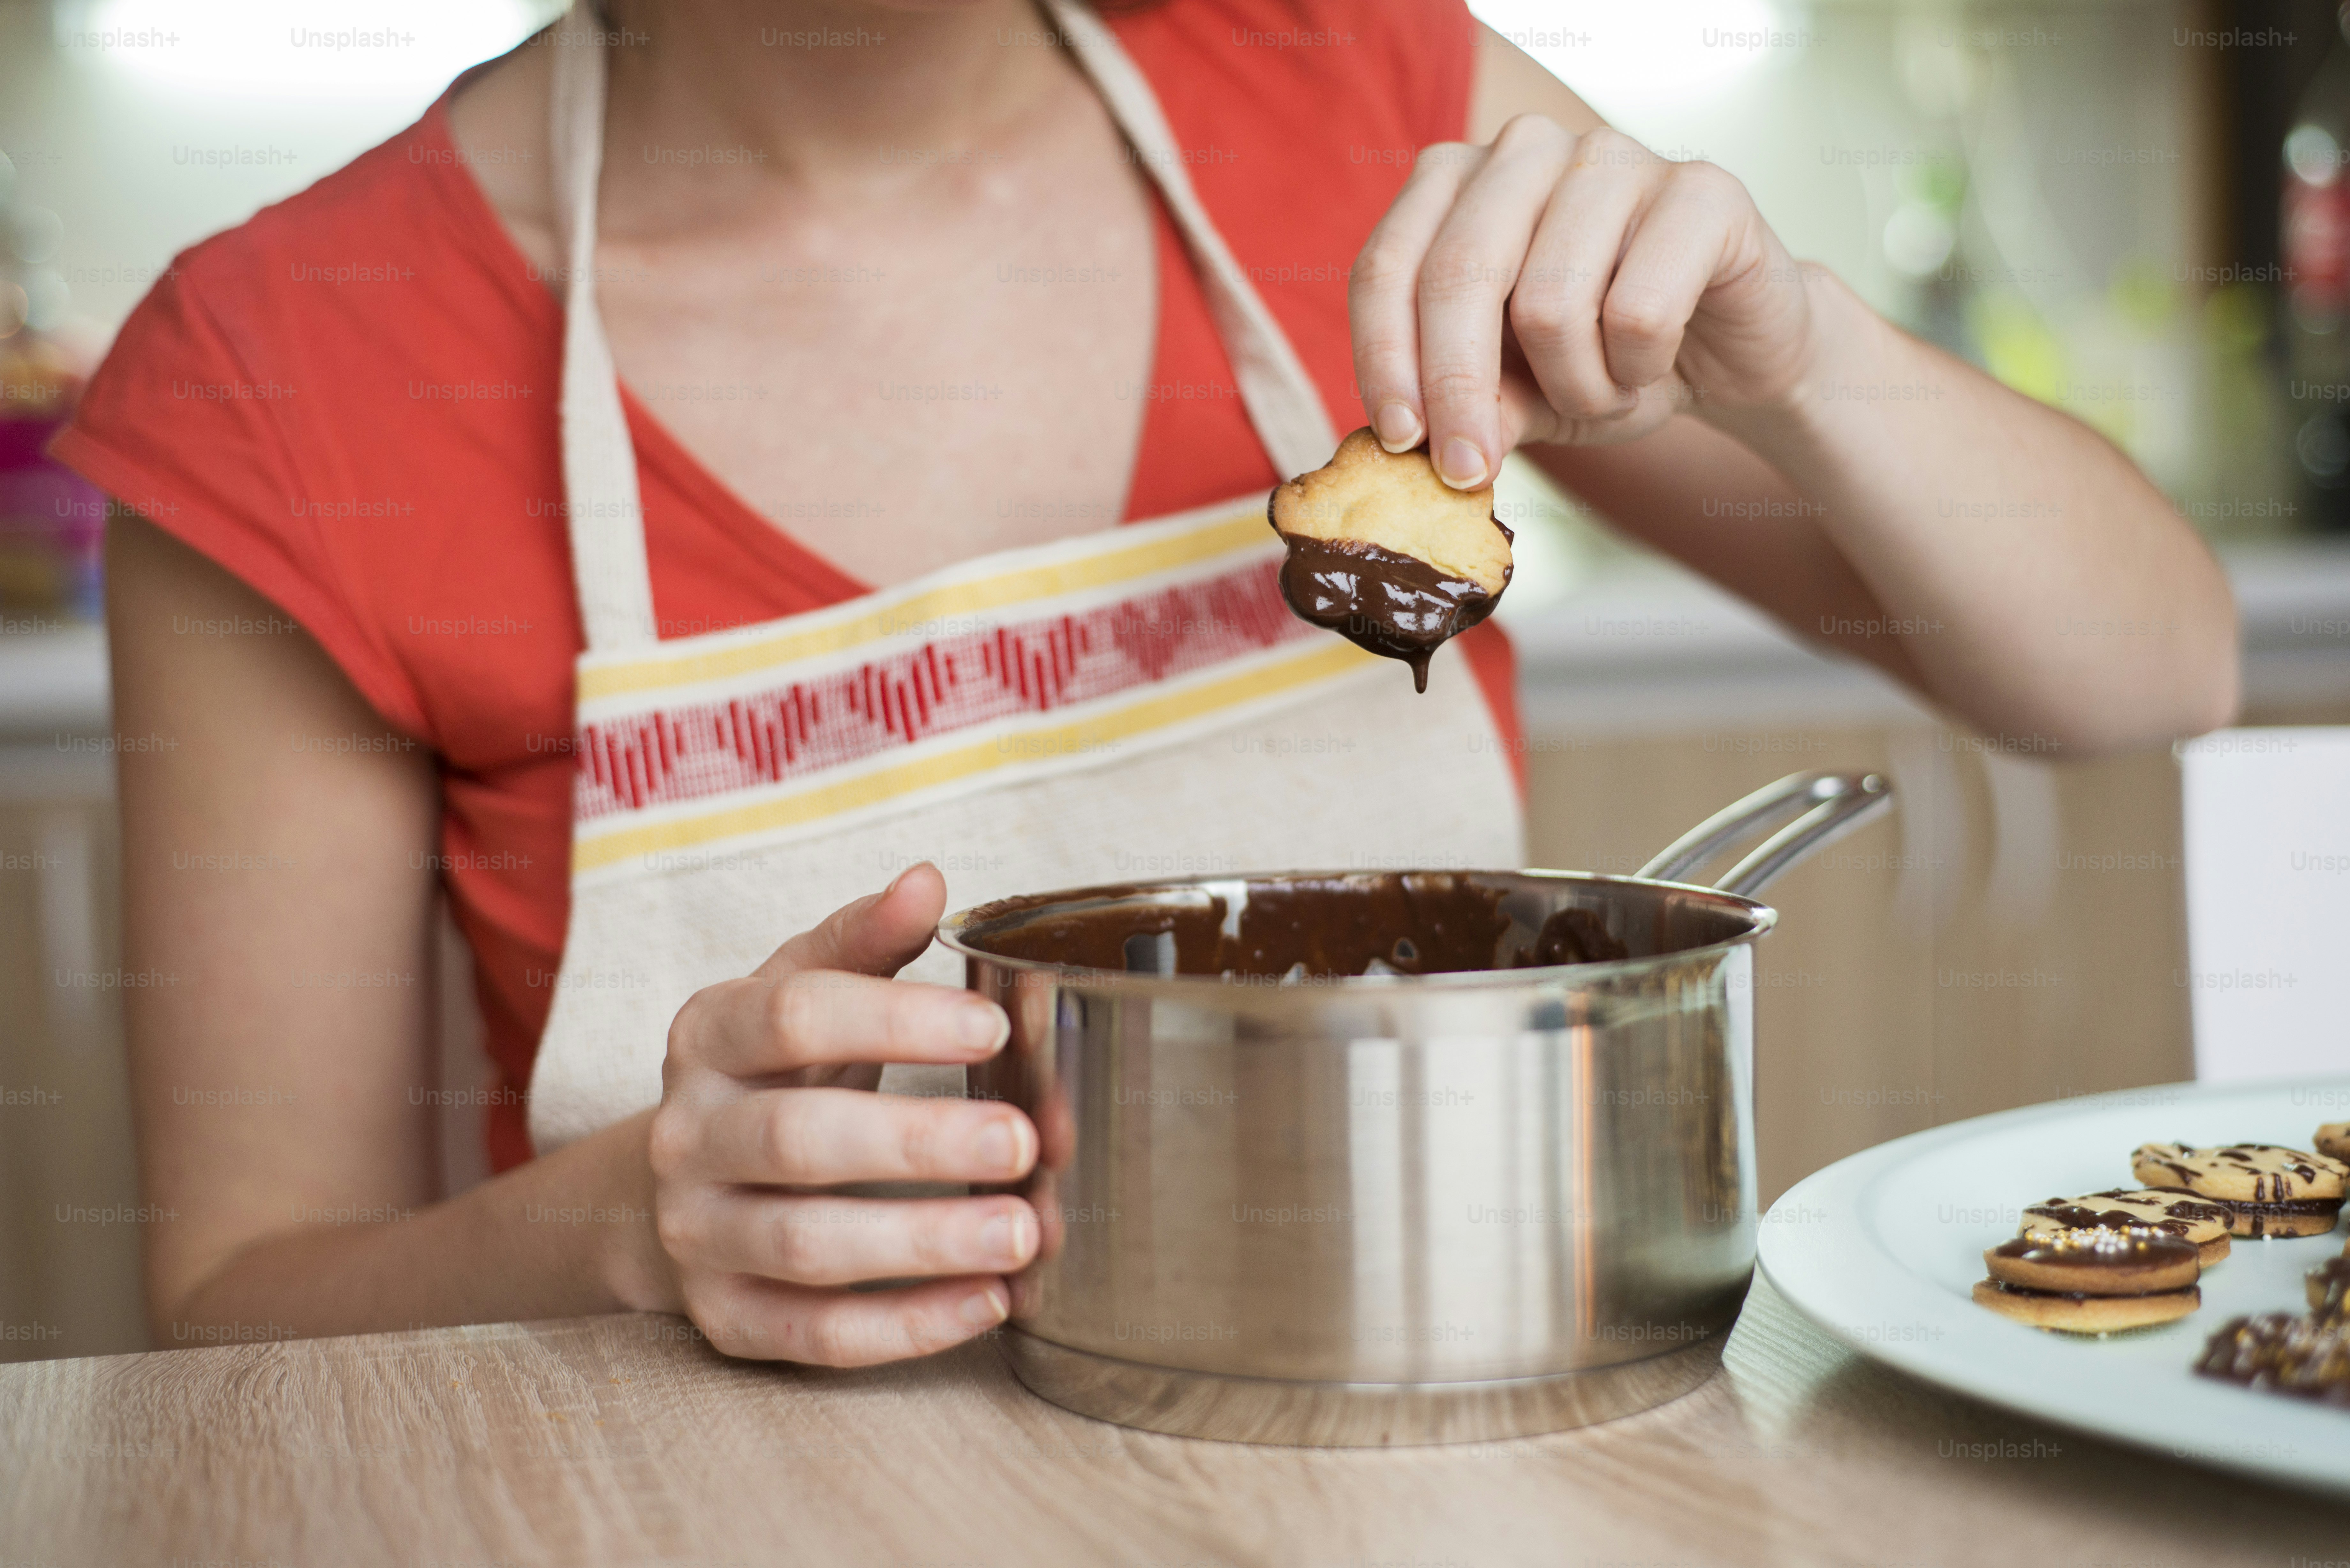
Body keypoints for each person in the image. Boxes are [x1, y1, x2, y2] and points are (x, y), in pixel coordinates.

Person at [62, 0, 2236, 1368]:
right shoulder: (295, 362)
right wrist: (628, 1226)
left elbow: (2148, 666)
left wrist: (1805, 352)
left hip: (1445, 1454)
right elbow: (229, 1306)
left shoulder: (1357, 82)